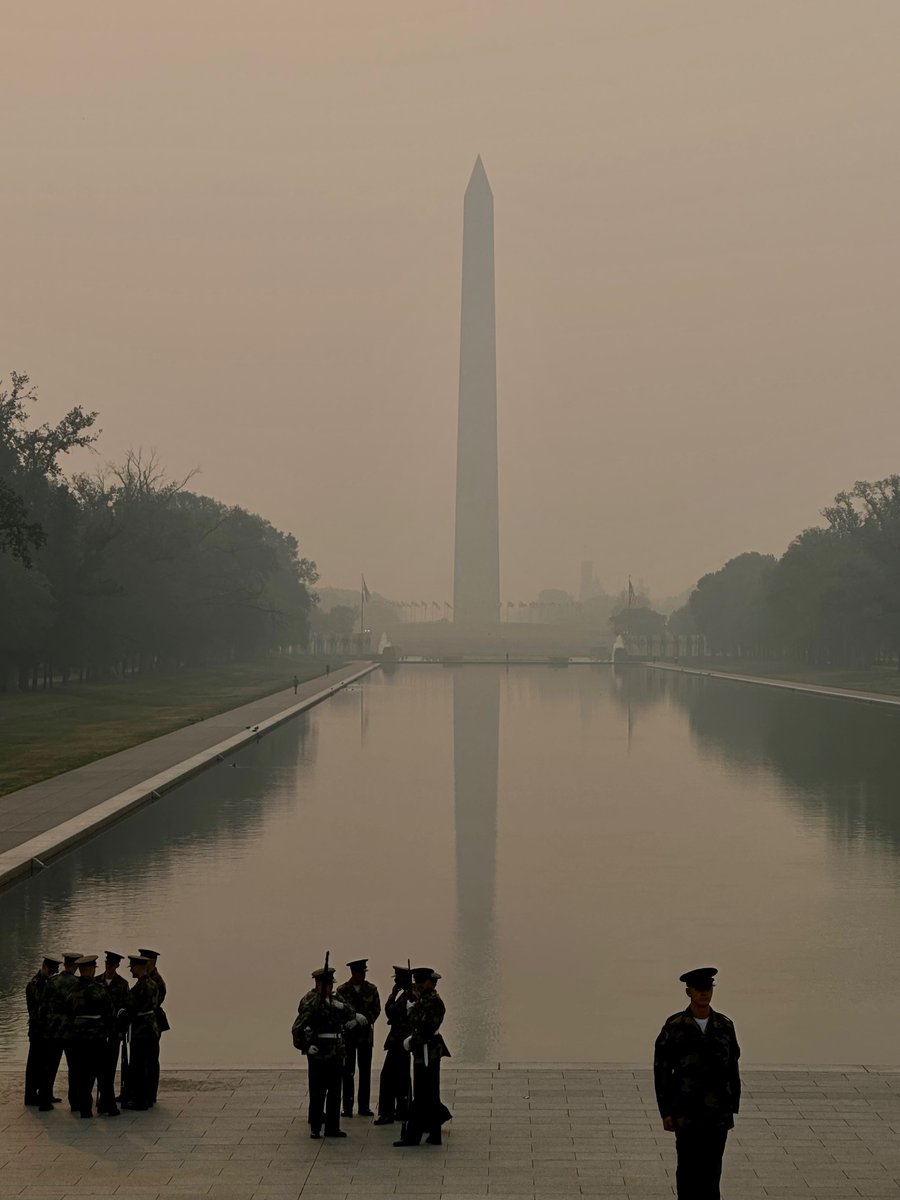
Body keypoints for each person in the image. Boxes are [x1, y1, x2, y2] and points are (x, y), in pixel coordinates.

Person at [654, 967, 741, 1200]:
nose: (705, 993)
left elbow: (733, 1067)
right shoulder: (675, 1027)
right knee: (688, 1173)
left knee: (712, 1173)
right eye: (700, 989)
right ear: (688, 992)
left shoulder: (724, 1026)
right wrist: (666, 1112)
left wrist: (732, 1108)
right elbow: (662, 1071)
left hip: (717, 1114)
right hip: (686, 1113)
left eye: (709, 988)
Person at [394, 968, 452, 1147]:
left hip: (428, 1051)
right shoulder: (425, 999)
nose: (419, 985)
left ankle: (413, 1136)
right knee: (430, 1095)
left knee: (421, 1095)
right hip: (425, 1050)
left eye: (422, 981)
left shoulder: (433, 1002)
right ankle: (434, 1134)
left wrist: (411, 1015)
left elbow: (425, 1027)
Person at [294, 964, 352, 1138]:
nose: (329, 988)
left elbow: (351, 1012)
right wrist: (305, 1047)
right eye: (326, 984)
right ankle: (316, 1126)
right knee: (318, 1091)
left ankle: (333, 1127)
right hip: (319, 1050)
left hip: (335, 1050)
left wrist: (340, 1006)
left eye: (331, 984)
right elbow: (297, 1027)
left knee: (335, 1091)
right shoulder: (310, 1002)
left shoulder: (336, 999)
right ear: (318, 984)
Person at [68, 956, 115, 1118]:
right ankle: (108, 1105)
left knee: (81, 1073)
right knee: (103, 1073)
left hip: (78, 1038)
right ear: (90, 970)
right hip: (97, 1037)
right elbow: (109, 1013)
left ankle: (84, 1108)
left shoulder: (73, 990)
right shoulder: (99, 989)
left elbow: (69, 1013)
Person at [337, 958, 381, 1118]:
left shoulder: (371, 989)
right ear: (353, 973)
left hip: (364, 1037)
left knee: (365, 1072)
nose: (362, 975)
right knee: (347, 1072)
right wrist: (350, 1020)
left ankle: (364, 1106)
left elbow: (376, 1009)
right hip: (348, 1037)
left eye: (363, 972)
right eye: (359, 972)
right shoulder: (342, 990)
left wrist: (364, 1019)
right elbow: (338, 1011)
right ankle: (347, 1107)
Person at [374, 965, 413, 1126]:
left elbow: (390, 1011)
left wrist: (392, 994)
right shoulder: (406, 995)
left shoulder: (409, 996)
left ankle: (388, 1113)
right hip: (399, 1041)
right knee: (401, 1076)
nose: (396, 981)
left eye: (398, 978)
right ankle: (402, 1110)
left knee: (389, 1076)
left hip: (400, 1040)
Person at [43, 951, 82, 1112]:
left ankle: (44, 1099)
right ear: (76, 966)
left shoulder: (52, 981)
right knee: (74, 1067)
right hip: (71, 1031)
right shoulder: (77, 983)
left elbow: (43, 1005)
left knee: (50, 1066)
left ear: (65, 964)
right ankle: (75, 1101)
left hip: (53, 1030)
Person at [121, 954, 160, 1110]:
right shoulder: (153, 984)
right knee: (148, 1062)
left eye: (132, 967)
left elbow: (131, 1008)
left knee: (138, 1064)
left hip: (141, 1029)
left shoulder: (139, 987)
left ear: (139, 967)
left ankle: (140, 1100)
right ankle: (147, 1098)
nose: (131, 970)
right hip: (152, 1027)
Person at [24, 955, 61, 1108]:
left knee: (47, 1064)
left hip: (48, 1031)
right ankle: (31, 1095)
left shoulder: (47, 982)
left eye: (55, 972)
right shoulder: (35, 984)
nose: (53, 974)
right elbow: (40, 1006)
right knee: (35, 1064)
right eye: (50, 971)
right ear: (44, 967)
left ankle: (46, 1092)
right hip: (38, 1031)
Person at [97, 951, 129, 1116]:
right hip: (98, 1033)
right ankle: (105, 1102)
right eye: (107, 964)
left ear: (117, 966)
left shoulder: (122, 984)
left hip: (114, 1033)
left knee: (110, 1068)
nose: (108, 967)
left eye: (112, 965)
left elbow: (125, 1009)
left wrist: (121, 1030)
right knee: (100, 1069)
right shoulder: (96, 982)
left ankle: (105, 1102)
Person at [138, 948, 169, 1106]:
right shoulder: (144, 978)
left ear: (153, 962)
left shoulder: (157, 981)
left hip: (152, 1024)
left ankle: (150, 1093)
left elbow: (155, 1003)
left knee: (151, 1059)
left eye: (146, 961)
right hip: (142, 1024)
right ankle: (139, 1090)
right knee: (141, 1059)